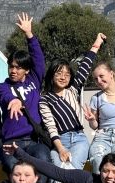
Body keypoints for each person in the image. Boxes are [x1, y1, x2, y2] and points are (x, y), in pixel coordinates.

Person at [0, 12, 51, 176]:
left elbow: (39, 59)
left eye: (18, 67)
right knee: (15, 170)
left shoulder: (34, 80)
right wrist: (13, 100)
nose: (13, 70)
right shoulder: (2, 86)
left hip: (34, 141)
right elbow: (5, 96)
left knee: (43, 159)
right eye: (11, 66)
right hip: (11, 142)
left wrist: (29, 34)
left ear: (27, 70)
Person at [38, 33, 105, 171]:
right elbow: (51, 127)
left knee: (73, 170)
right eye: (59, 73)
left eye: (67, 74)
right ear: (51, 76)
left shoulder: (73, 91)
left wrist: (97, 43)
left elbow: (85, 66)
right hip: (59, 142)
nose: (63, 77)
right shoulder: (45, 99)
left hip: (79, 139)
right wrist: (61, 149)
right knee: (58, 171)